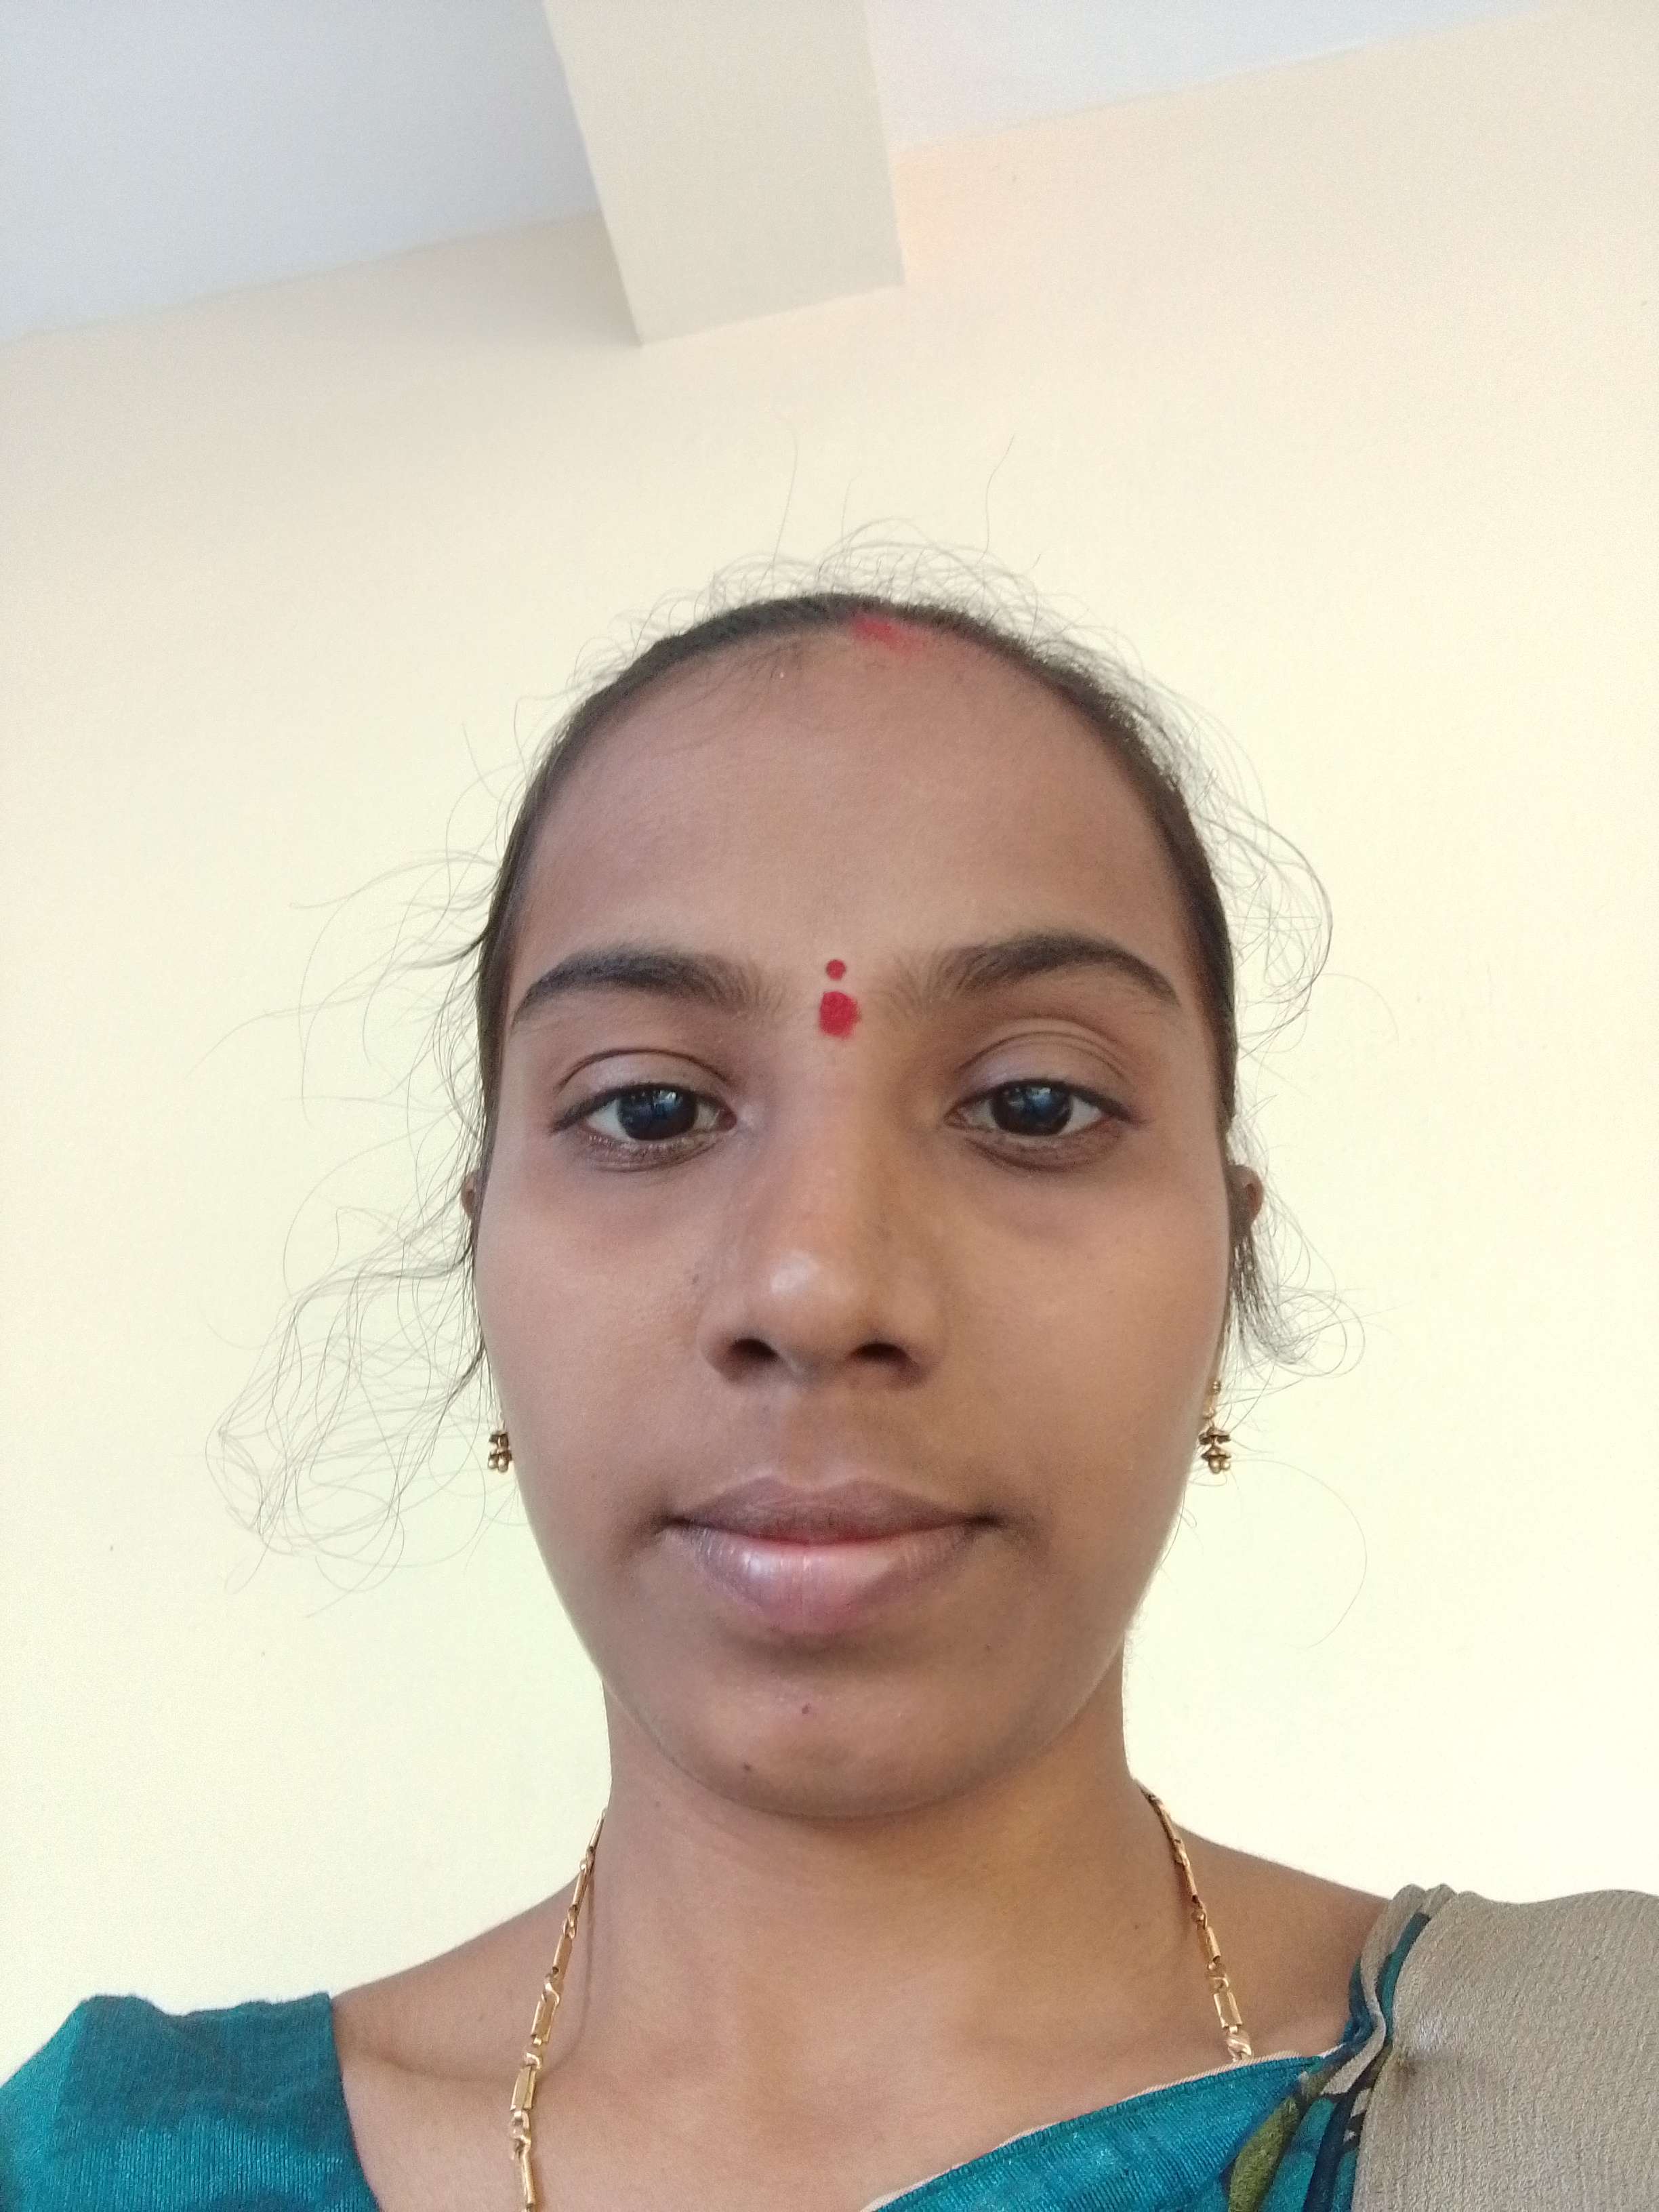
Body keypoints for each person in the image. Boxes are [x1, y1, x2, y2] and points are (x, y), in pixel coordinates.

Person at [4, 582, 1656, 2209]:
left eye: (1034, 1102)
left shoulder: (1603, 2105)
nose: (818, 1286)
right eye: (650, 1111)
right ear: (481, 1259)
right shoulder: (110, 2176)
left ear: (1226, 1268)